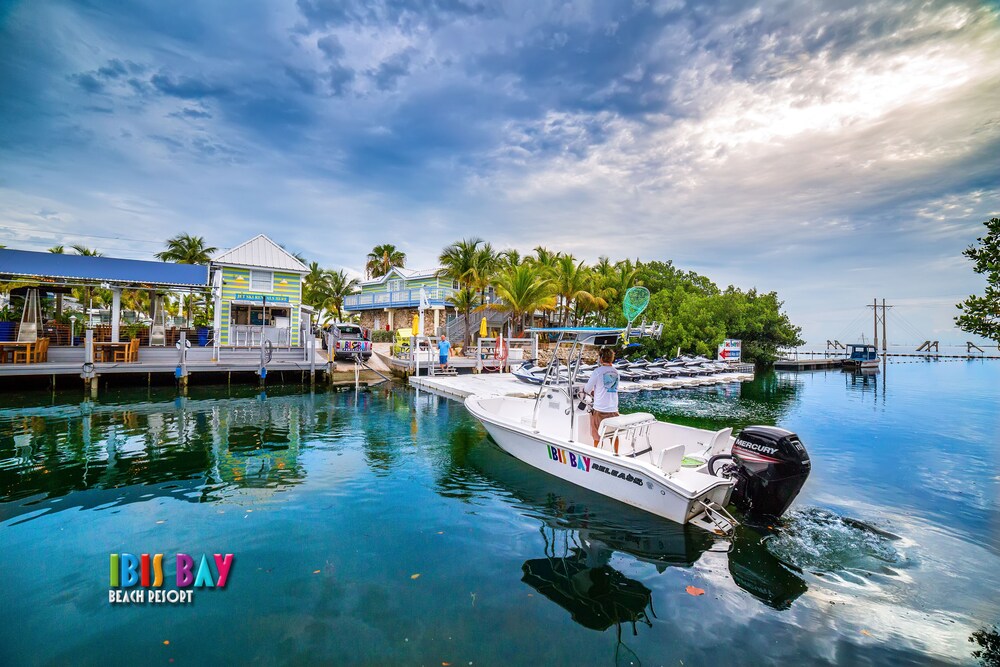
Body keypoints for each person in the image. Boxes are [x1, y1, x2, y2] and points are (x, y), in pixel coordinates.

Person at [585, 347, 620, 450]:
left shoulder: (598, 371)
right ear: (612, 358)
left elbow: (587, 389)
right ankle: (616, 454)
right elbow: (610, 388)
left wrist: (593, 392)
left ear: (601, 358)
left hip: (600, 410)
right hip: (613, 409)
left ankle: (597, 454)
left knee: (597, 436)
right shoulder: (616, 372)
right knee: (614, 435)